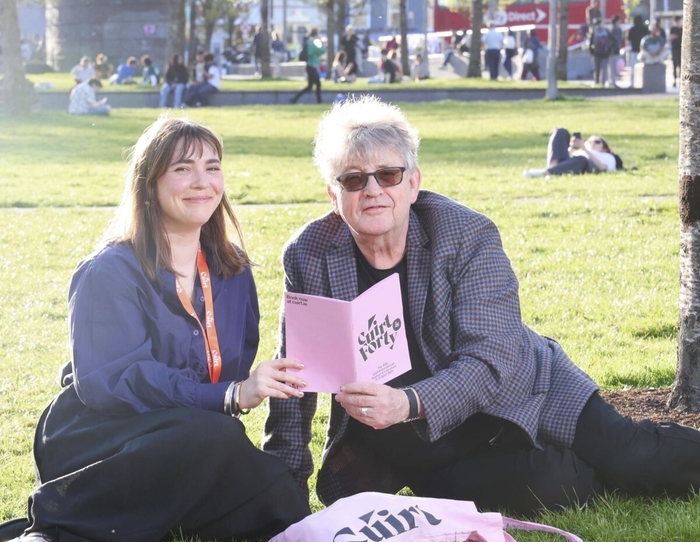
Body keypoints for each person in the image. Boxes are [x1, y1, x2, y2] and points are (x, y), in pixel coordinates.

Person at [262, 97, 700, 517]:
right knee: (553, 486)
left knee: (631, 456)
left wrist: (407, 401)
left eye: (389, 175)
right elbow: (294, 377)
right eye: (354, 179)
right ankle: (560, 469)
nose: (373, 190)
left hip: (525, 389)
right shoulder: (309, 253)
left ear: (413, 184)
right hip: (419, 444)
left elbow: (493, 361)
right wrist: (285, 494)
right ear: (333, 196)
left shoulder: (467, 234)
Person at [0, 116, 310, 542]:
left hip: (196, 432)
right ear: (150, 184)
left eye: (212, 166)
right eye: (182, 168)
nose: (202, 182)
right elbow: (114, 382)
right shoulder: (108, 271)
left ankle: (145, 516)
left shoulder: (233, 270)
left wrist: (242, 389)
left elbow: (234, 362)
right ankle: (50, 526)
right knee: (211, 440)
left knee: (282, 503)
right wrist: (226, 397)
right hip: (99, 431)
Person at [523, 128, 619, 177]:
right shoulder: (580, 151)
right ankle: (551, 169)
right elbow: (564, 159)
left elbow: (603, 169)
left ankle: (546, 172)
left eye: (597, 142)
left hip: (586, 165)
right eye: (589, 142)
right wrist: (571, 148)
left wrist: (585, 149)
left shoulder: (608, 157)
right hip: (569, 162)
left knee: (582, 159)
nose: (593, 143)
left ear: (605, 148)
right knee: (560, 131)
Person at [290, 28, 325, 104]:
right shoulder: (313, 43)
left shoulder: (310, 42)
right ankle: (319, 101)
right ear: (316, 35)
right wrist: (321, 42)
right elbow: (322, 50)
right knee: (315, 85)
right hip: (311, 67)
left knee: (312, 86)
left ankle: (295, 99)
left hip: (311, 66)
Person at [627, 15, 649, 88]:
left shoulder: (632, 29)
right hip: (643, 51)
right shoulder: (645, 29)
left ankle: (632, 83)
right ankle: (643, 83)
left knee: (633, 68)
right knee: (643, 68)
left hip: (634, 50)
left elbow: (629, 38)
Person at [589, 19, 611, 86]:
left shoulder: (594, 32)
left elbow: (591, 43)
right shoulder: (606, 32)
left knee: (597, 68)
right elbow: (611, 41)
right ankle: (603, 82)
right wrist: (609, 51)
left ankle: (597, 82)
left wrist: (591, 52)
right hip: (605, 53)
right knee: (604, 68)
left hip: (596, 53)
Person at [607, 15, 624, 87]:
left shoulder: (610, 29)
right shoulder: (617, 29)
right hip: (615, 50)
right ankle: (613, 82)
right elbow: (619, 40)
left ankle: (611, 81)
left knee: (610, 67)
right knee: (613, 67)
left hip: (609, 50)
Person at [669, 15, 682, 87]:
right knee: (675, 65)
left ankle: (681, 80)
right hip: (674, 49)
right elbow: (670, 37)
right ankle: (675, 80)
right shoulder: (673, 29)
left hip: (681, 49)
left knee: (681, 65)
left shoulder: (683, 29)